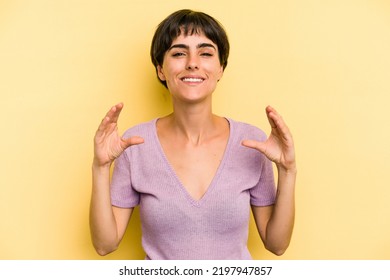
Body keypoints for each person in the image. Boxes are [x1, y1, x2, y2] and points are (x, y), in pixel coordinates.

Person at [89, 9, 296, 260]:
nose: (193, 63)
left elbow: (277, 244)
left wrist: (287, 170)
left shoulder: (251, 142)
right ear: (160, 70)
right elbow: (104, 244)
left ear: (220, 68)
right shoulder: (135, 144)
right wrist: (100, 167)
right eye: (178, 53)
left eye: (206, 52)